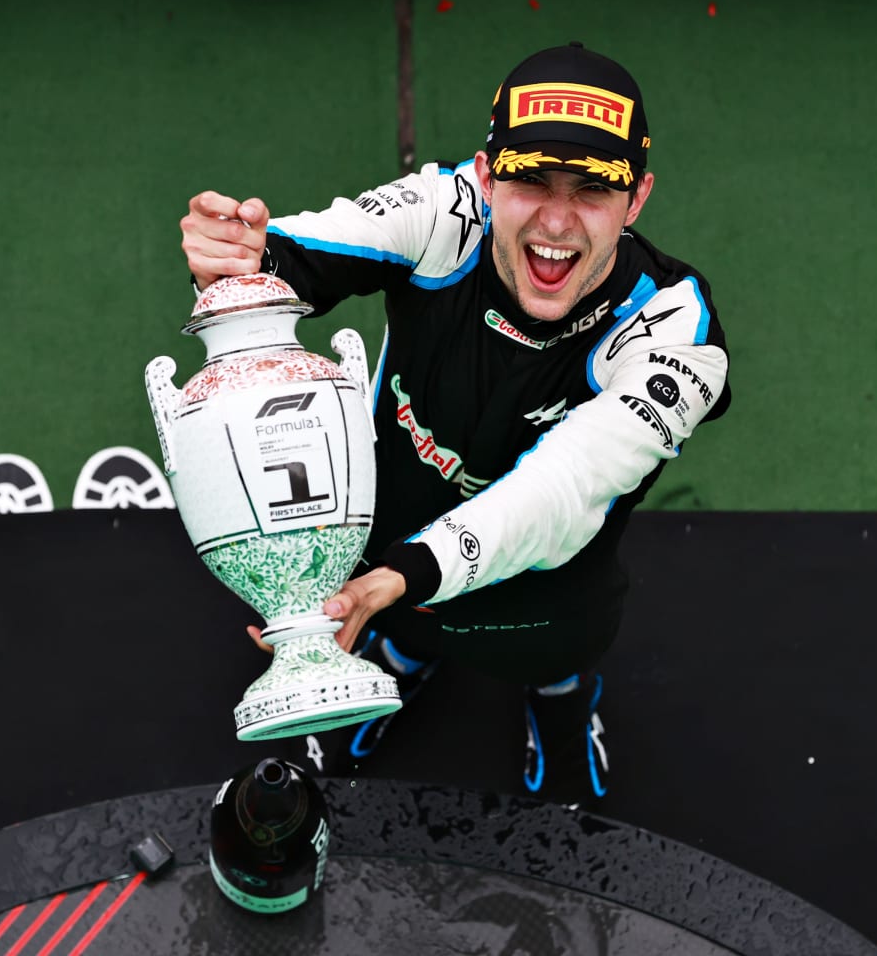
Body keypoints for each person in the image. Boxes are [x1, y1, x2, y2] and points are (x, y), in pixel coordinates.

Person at [180, 42, 731, 808]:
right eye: (530, 179)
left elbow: (563, 490)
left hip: (544, 585)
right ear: (484, 175)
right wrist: (236, 256)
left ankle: (561, 706)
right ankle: (403, 655)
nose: (558, 221)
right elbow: (292, 254)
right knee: (404, 631)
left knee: (556, 657)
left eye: (593, 190)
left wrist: (402, 577)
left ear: (635, 200)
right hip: (388, 545)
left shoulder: (675, 325)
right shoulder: (443, 214)